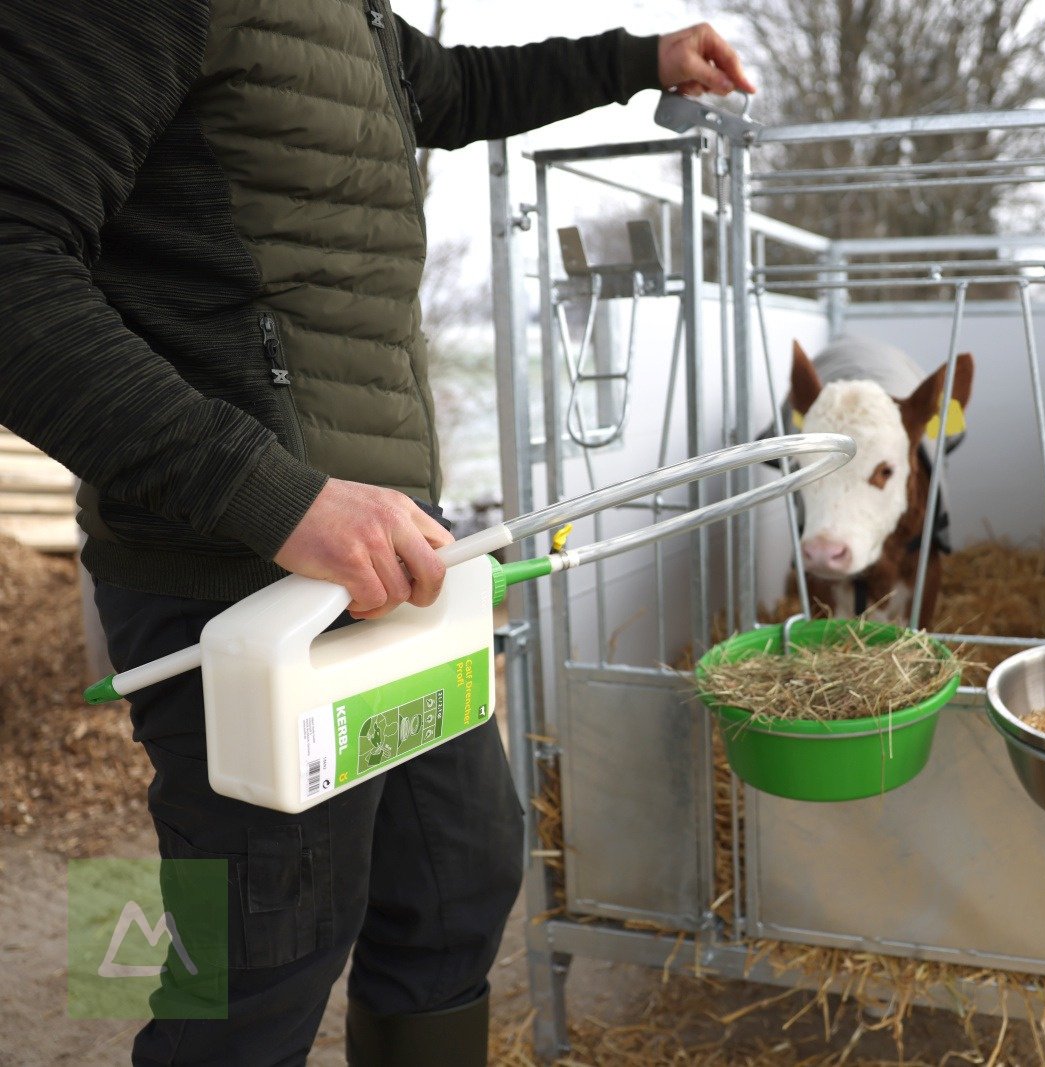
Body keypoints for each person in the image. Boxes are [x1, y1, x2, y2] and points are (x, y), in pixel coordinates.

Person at [0, 4, 754, 1064]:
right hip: (233, 566)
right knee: (260, 958)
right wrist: (275, 498)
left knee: (455, 886)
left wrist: (637, 61)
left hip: (391, 555)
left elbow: (449, 86)